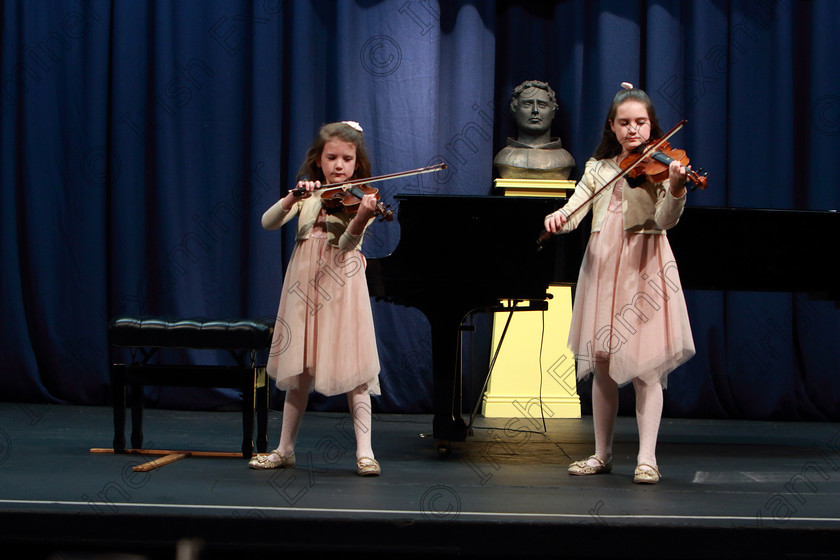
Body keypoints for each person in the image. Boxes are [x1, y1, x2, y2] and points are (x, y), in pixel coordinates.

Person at [543, 83, 695, 484]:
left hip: (644, 266)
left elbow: (664, 220)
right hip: (604, 265)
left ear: (651, 125)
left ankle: (647, 459)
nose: (633, 130)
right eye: (624, 123)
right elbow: (576, 208)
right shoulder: (599, 168)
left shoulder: (662, 166)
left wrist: (676, 188)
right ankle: (601, 454)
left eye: (640, 123)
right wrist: (559, 217)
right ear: (612, 126)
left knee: (647, 365)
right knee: (603, 363)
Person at [250, 121, 382, 476]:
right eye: (332, 158)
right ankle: (284, 449)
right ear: (319, 161)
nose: (339, 166)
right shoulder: (308, 197)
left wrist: (363, 217)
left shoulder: (363, 199)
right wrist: (293, 196)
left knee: (355, 368)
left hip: (342, 281)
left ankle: (365, 452)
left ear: (357, 164)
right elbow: (267, 222)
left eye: (347, 159)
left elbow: (347, 245)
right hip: (304, 281)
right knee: (299, 367)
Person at [493, 80, 575, 179]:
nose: (535, 110)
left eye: (542, 105)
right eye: (527, 104)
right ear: (514, 110)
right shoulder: (504, 158)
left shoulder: (565, 160)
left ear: (553, 112)